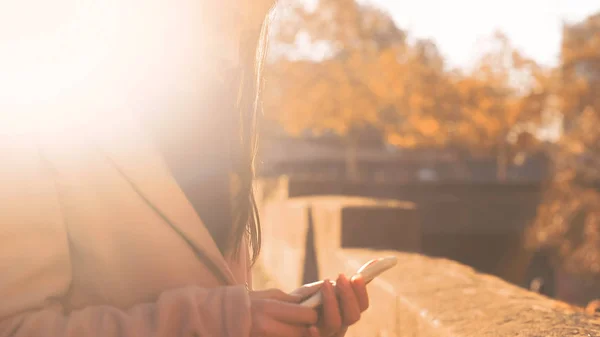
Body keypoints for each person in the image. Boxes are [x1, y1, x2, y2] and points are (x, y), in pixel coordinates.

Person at [0, 1, 370, 336]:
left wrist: (291, 322)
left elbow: (225, 305)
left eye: (246, 31)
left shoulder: (214, 132)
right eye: (214, 19)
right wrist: (225, 322)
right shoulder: (33, 117)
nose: (229, 54)